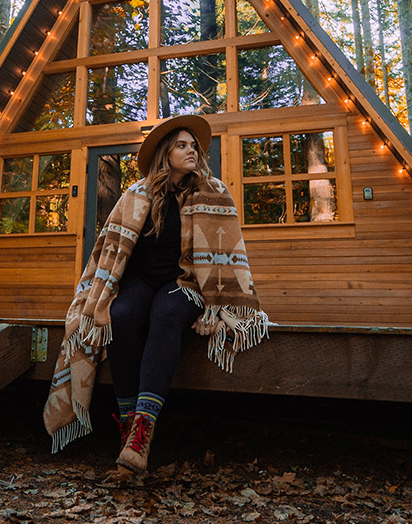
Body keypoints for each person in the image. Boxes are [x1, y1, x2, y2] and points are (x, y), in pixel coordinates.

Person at [43, 114, 269, 476]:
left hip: (183, 281)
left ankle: (143, 433)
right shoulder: (135, 194)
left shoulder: (212, 192)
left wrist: (216, 307)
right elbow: (110, 249)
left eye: (194, 146)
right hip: (137, 280)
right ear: (166, 152)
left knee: (164, 315)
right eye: (182, 145)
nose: (192, 150)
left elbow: (227, 254)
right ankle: (128, 423)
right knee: (120, 316)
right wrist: (99, 295)